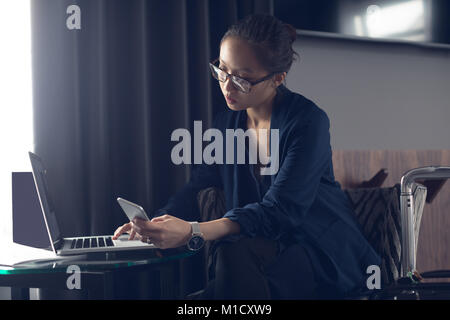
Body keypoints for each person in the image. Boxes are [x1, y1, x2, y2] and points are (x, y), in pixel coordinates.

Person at [113, 14, 381, 299]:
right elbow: (197, 187)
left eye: (242, 79)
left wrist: (193, 230)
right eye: (222, 71)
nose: (227, 86)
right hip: (259, 253)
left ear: (277, 79)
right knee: (231, 262)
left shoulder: (308, 122)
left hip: (318, 251)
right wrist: (154, 226)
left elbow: (282, 210)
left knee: (231, 259)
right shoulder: (226, 124)